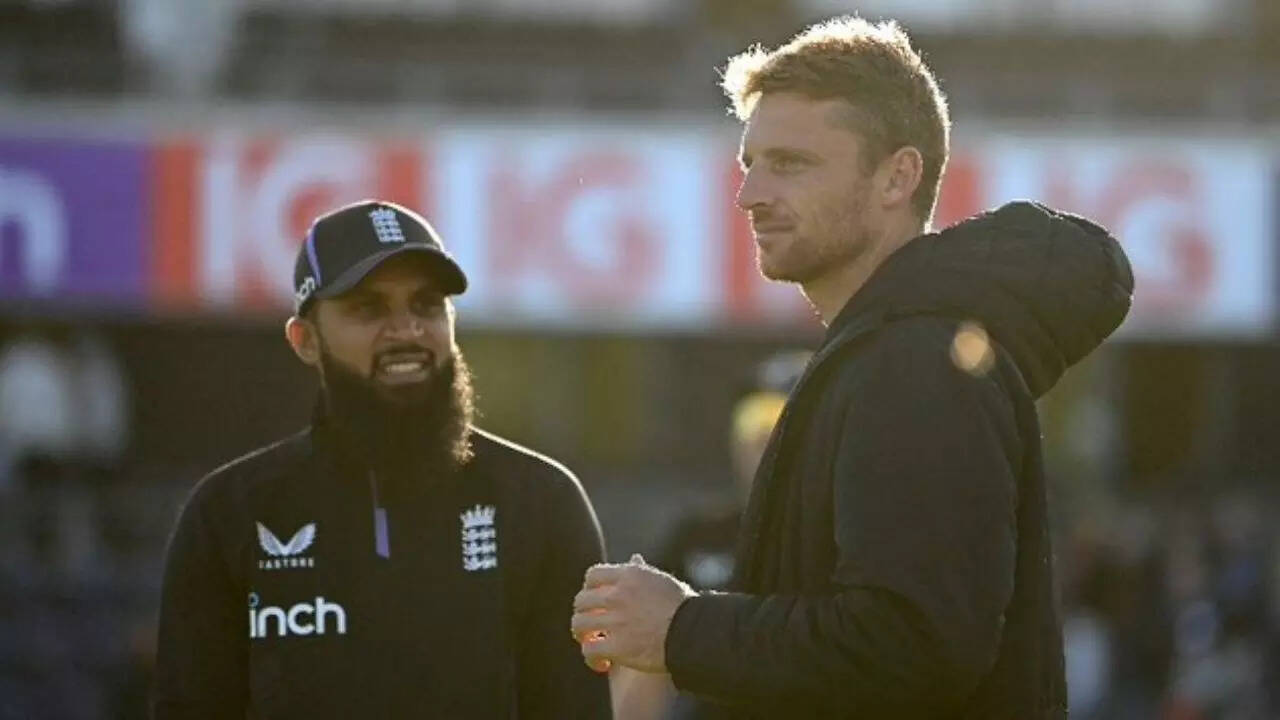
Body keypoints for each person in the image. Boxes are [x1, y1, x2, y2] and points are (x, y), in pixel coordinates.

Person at [571, 16, 1133, 719]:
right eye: (751, 164)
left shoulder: (917, 364)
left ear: (898, 176)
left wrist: (682, 628)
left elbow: (914, 644)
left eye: (790, 163)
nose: (749, 194)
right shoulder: (889, 352)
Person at [154, 199, 611, 718]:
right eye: (368, 309)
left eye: (426, 305)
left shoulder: (542, 503)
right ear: (305, 340)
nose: (407, 331)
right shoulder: (227, 514)